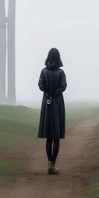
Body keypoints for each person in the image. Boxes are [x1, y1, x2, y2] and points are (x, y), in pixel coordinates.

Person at [38, 47, 67, 175]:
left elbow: (41, 85)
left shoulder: (44, 72)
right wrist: (55, 93)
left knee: (49, 136)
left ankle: (49, 163)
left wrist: (48, 93)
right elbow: (63, 86)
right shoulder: (61, 73)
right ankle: (53, 165)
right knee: (56, 137)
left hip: (47, 103)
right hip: (58, 103)